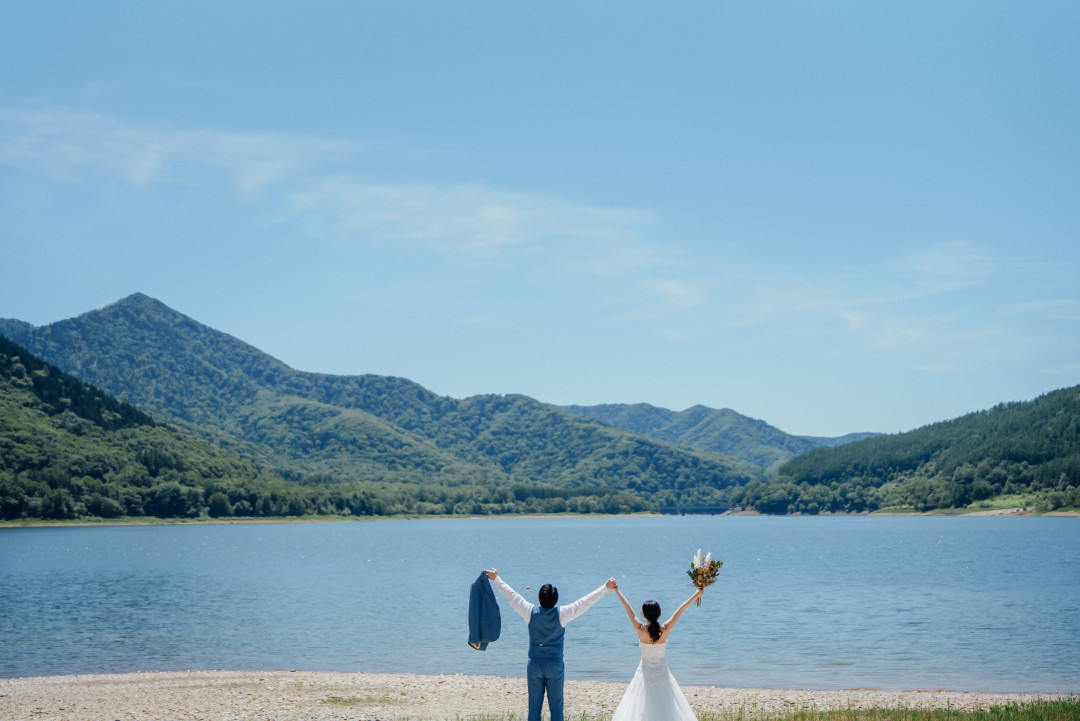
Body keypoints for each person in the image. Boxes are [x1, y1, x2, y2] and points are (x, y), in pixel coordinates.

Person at [485, 569, 616, 721]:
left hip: (534, 664)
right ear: (556, 599)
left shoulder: (530, 611)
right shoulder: (563, 613)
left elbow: (512, 596)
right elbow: (584, 602)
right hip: (554, 666)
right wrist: (605, 588)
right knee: (556, 707)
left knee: (534, 707)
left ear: (539, 598)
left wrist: (496, 579)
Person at [608, 579, 704, 721]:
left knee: (641, 706)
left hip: (644, 674)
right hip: (662, 674)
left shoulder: (640, 629)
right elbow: (681, 609)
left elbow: (627, 606)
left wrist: (616, 590)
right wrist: (696, 595)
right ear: (658, 613)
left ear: (644, 614)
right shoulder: (665, 629)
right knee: (666, 707)